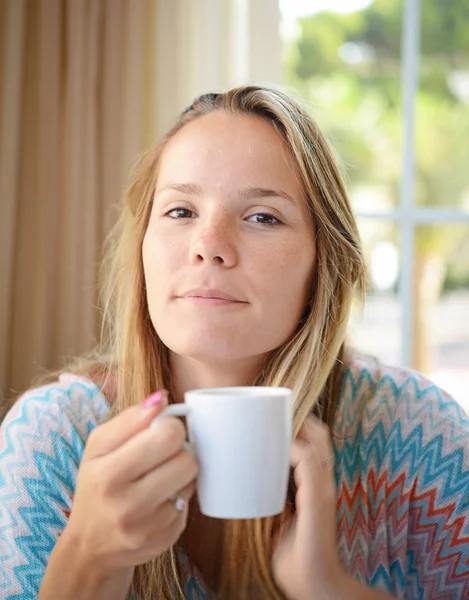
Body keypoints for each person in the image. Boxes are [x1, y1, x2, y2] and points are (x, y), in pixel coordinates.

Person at [1, 86, 468, 600]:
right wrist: (88, 560)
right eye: (181, 212)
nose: (209, 247)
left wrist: (328, 587)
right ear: (142, 248)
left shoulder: (420, 433)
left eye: (263, 217)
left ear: (322, 266)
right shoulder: (48, 442)